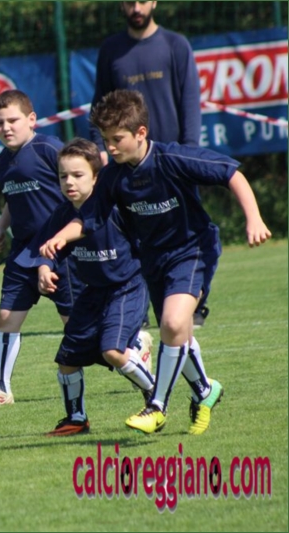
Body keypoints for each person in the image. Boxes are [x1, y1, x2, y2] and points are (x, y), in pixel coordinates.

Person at [40, 89, 272, 435]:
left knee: (173, 324)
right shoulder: (114, 177)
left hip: (192, 250)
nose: (110, 147)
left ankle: (157, 406)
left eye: (116, 139)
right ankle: (206, 390)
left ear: (141, 133)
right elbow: (89, 219)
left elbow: (231, 174)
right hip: (153, 260)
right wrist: (62, 236)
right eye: (106, 140)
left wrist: (253, 218)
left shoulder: (172, 158)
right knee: (176, 331)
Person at [92, 0, 209, 327]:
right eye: (130, 2)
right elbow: (100, 104)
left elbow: (190, 102)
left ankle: (193, 303)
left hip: (171, 163)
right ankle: (135, 308)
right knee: (130, 237)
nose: (136, 8)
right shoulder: (111, 49)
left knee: (186, 234)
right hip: (128, 165)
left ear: (154, 2)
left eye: (142, 1)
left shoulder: (175, 44)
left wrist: (189, 154)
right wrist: (100, 148)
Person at [27, 138, 155, 436]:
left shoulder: (115, 209)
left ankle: (157, 396)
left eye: (78, 175)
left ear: (97, 178)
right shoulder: (62, 214)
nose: (69, 182)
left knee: (112, 350)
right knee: (67, 359)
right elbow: (48, 250)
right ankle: (76, 418)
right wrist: (44, 270)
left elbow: (146, 241)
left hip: (127, 287)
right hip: (93, 292)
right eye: (63, 176)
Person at [0, 89, 84, 409]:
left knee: (77, 327)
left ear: (31, 119)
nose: (5, 128)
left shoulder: (48, 148)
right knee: (6, 316)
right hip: (22, 250)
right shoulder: (3, 160)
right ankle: (0, 389)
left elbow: (80, 183)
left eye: (13, 120)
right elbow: (13, 197)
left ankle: (133, 347)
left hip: (59, 249)